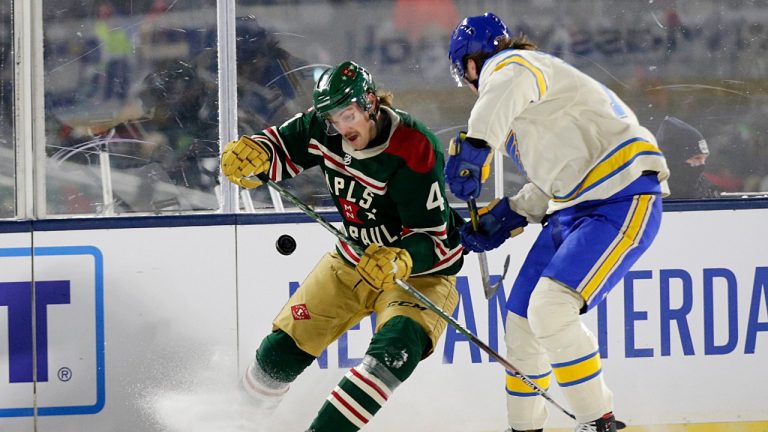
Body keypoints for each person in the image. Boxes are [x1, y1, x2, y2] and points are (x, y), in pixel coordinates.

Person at [443, 12, 670, 432]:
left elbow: (503, 85)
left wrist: (475, 148)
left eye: (468, 76)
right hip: (577, 207)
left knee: (550, 308)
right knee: (521, 323)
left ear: (471, 66)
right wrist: (510, 212)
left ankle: (599, 423)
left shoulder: (512, 68)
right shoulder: (535, 96)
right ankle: (524, 427)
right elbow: (559, 176)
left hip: (622, 198)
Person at [221, 60, 464, 431]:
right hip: (351, 260)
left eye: (347, 115)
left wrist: (399, 260)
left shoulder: (415, 146)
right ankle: (235, 424)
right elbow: (280, 146)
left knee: (394, 349)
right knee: (283, 348)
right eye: (332, 119)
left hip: (419, 276)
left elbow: (435, 239)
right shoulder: (324, 127)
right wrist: (255, 153)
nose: (340, 128)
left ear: (369, 103)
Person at [655, 116, 719, 199]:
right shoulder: (655, 193)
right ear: (674, 159)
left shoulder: (706, 188)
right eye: (697, 158)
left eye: (704, 159)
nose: (702, 164)